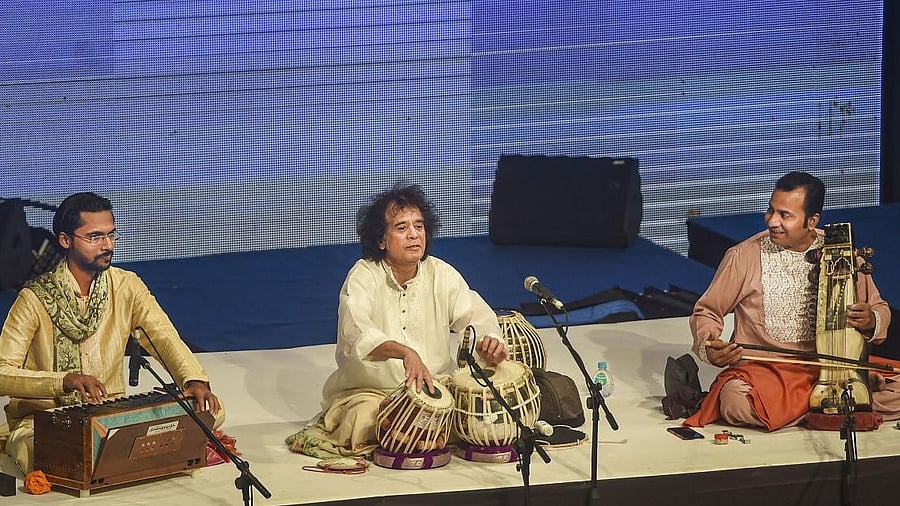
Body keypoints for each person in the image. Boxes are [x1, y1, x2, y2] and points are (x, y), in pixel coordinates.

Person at [0, 192, 223, 474]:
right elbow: (2, 373)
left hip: (112, 414)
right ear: (66, 240)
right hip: (45, 420)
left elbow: (163, 337)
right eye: (95, 237)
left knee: (211, 410)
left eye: (111, 235)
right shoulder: (34, 298)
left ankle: (121, 451)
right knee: (43, 453)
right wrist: (64, 381)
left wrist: (193, 379)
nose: (107, 245)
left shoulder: (126, 286)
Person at [286, 183, 508, 458]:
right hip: (373, 392)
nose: (414, 234)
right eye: (401, 228)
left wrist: (489, 341)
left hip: (435, 389)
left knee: (480, 414)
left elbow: (475, 317)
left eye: (419, 226)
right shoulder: (364, 275)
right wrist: (404, 352)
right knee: (364, 421)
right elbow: (356, 333)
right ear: (382, 240)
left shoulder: (441, 274)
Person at [685, 171, 899, 431]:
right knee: (735, 401)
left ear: (812, 221)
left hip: (835, 368)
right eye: (770, 210)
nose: (772, 221)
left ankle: (805, 408)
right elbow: (707, 311)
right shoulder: (744, 256)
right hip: (768, 372)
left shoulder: (841, 254)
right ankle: (832, 406)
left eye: (785, 215)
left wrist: (871, 320)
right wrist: (710, 346)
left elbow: (879, 309)